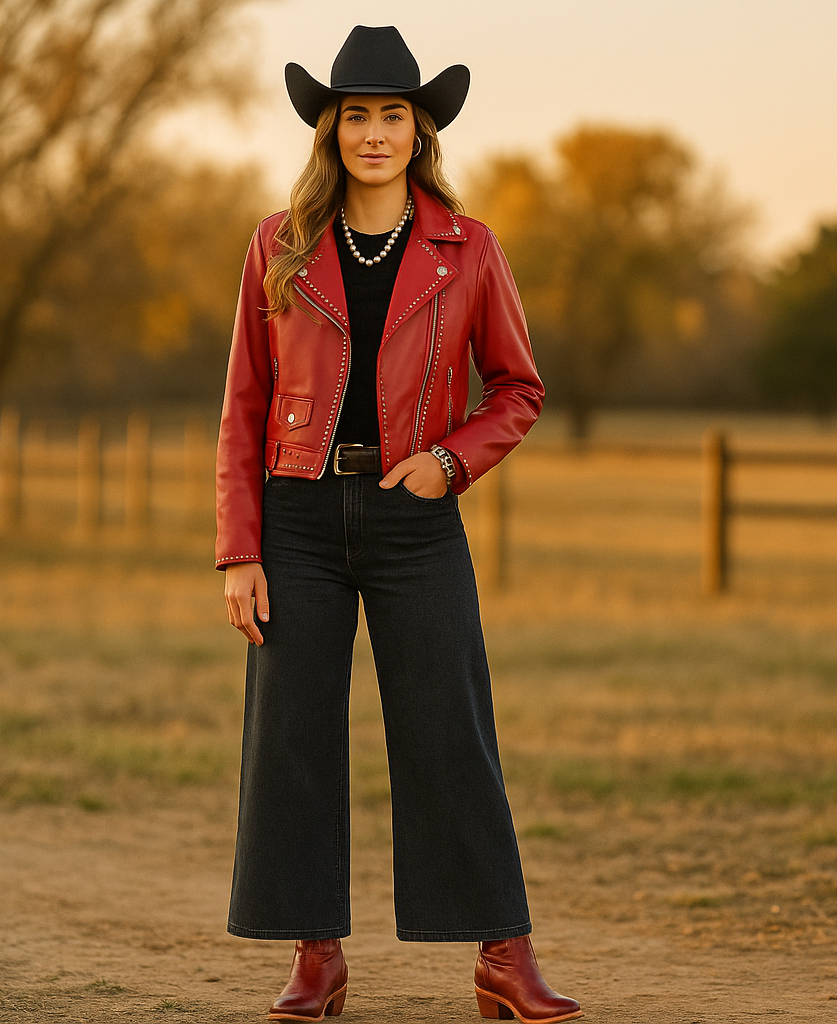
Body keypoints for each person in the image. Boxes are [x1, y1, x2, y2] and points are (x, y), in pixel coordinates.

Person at [214, 25, 580, 1024]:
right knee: (291, 736)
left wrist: (450, 461)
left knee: (450, 731)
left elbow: (519, 387)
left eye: (393, 116)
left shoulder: (469, 248)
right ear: (329, 130)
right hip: (294, 516)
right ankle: (315, 957)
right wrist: (240, 548)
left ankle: (505, 954)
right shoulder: (276, 243)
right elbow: (244, 404)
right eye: (355, 116)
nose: (374, 133)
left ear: (421, 132)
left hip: (415, 517)